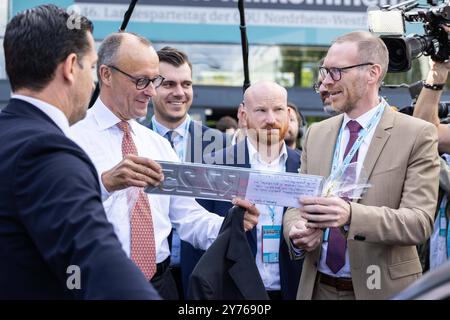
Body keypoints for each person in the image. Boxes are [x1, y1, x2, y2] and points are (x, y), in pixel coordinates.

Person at [70, 32, 258, 300]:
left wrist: (233, 223)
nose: (151, 90)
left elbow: (188, 217)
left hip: (160, 286)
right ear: (106, 75)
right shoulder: (71, 137)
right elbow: (53, 214)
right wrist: (105, 184)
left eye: (154, 80)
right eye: (141, 80)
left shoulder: (156, 145)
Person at [0, 4, 160, 299]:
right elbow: (99, 262)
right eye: (91, 66)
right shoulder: (47, 152)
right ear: (71, 67)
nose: (94, 81)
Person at [284, 31, 440, 300]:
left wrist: (351, 216)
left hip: (383, 290)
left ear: (372, 73)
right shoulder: (316, 133)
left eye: (336, 71)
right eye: (324, 71)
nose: (325, 81)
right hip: (316, 288)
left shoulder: (418, 134)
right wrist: (295, 231)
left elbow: (418, 222)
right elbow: (296, 205)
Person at [200, 81, 303, 300]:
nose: (271, 120)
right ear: (244, 115)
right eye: (261, 111)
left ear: (288, 113)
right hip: (233, 293)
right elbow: (197, 241)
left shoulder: (306, 166)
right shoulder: (215, 166)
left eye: (277, 110)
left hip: (293, 290)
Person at [148, 46, 227, 296]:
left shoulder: (222, 146)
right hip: (150, 276)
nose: (179, 93)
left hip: (203, 275)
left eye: (186, 84)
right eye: (169, 84)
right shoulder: (133, 142)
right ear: (151, 88)